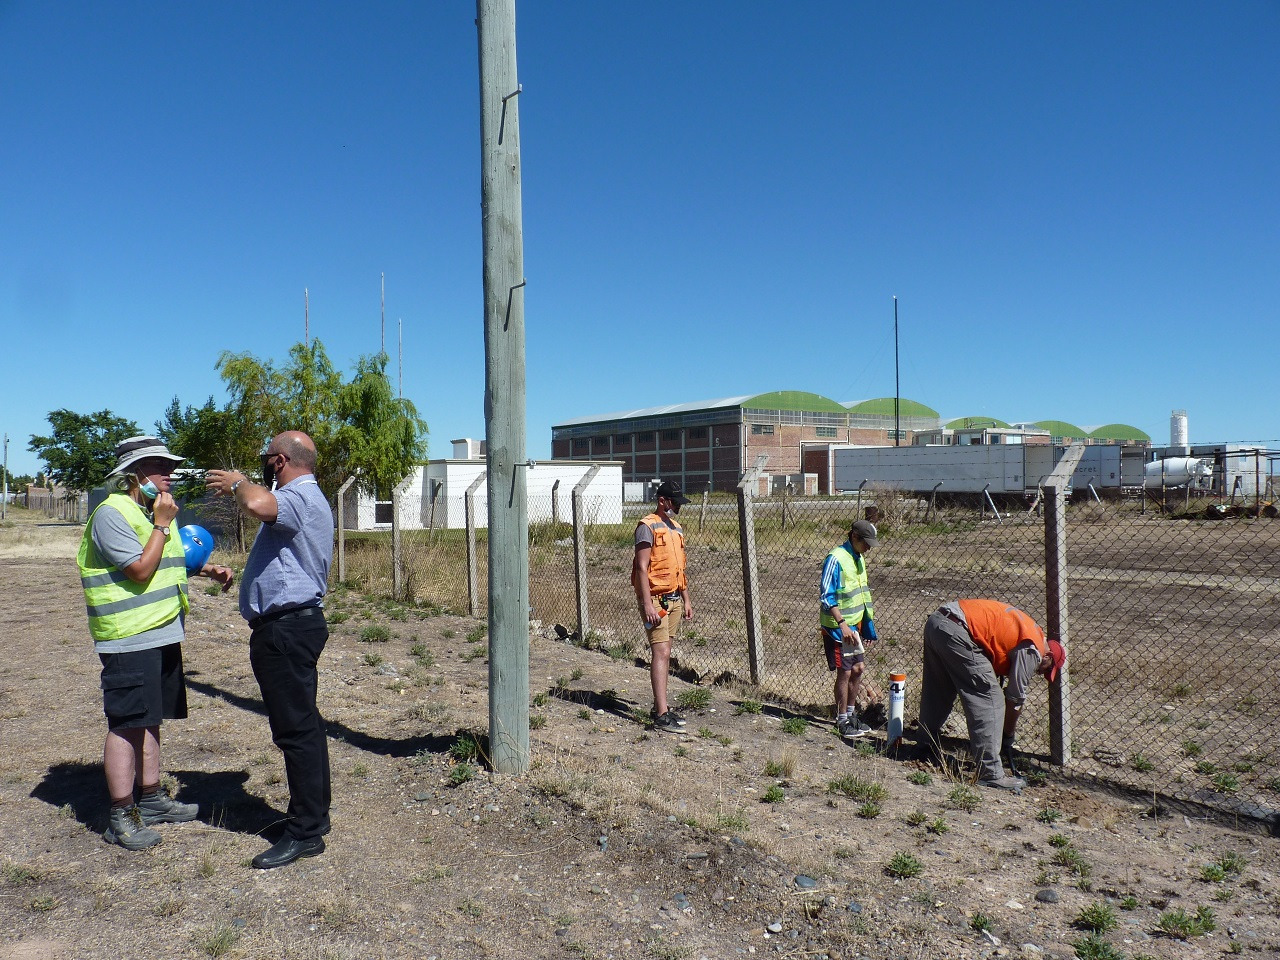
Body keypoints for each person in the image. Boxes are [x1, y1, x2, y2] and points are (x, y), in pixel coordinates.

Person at [77, 436, 234, 850]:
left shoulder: (153, 512)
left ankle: (151, 798)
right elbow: (139, 571)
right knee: (127, 723)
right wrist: (163, 525)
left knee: (151, 717)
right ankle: (120, 813)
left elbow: (164, 561)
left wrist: (205, 570)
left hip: (163, 630)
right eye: (157, 466)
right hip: (129, 636)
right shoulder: (113, 514)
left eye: (169, 466)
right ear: (133, 473)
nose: (168, 474)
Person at [206, 432, 334, 869]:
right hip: (291, 628)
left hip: (286, 631)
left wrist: (239, 482)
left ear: (280, 461)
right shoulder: (301, 497)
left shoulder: (298, 496)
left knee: (295, 731)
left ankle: (305, 833)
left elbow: (259, 504)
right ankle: (315, 815)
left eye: (266, 463)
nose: (263, 471)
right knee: (305, 726)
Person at [917, 599, 1066, 793]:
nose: (1040, 673)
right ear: (1047, 657)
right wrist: (1008, 735)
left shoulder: (1029, 630)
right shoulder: (1034, 650)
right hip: (957, 629)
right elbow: (1014, 698)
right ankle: (990, 773)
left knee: (938, 688)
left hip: (938, 622)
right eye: (1045, 670)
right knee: (990, 697)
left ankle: (923, 747)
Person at [631, 480, 693, 733]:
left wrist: (687, 598)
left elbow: (680, 567)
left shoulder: (676, 528)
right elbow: (641, 568)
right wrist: (647, 603)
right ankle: (661, 715)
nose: (678, 507)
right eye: (674, 502)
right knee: (662, 652)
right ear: (662, 501)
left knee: (666, 651)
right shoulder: (647, 527)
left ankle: (661, 708)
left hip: (675, 597)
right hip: (655, 600)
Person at [820, 519, 879, 740]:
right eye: (867, 543)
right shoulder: (835, 559)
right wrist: (842, 624)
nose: (869, 548)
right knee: (844, 672)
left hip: (854, 627)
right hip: (838, 627)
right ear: (854, 537)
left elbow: (862, 596)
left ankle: (852, 715)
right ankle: (842, 719)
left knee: (858, 669)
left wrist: (866, 628)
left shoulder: (858, 558)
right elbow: (827, 596)